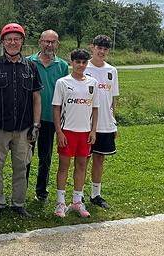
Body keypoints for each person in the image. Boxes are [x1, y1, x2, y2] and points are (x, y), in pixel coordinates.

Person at [0, 23, 42, 218]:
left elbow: (36, 98)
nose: (12, 42)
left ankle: (18, 203)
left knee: (21, 167)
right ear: (3, 42)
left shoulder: (31, 67)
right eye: (8, 39)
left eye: (16, 39)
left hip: (23, 128)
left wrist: (36, 125)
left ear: (22, 41)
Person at [52, 48, 98, 218]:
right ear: (72, 62)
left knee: (81, 166)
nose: (80, 65)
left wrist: (93, 130)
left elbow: (95, 108)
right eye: (77, 62)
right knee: (63, 167)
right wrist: (59, 132)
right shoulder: (63, 82)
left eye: (84, 62)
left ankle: (77, 201)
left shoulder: (92, 83)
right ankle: (60, 203)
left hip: (85, 133)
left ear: (87, 63)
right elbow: (56, 108)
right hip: (67, 131)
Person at [26, 30, 69, 204]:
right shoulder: (29, 62)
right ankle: (21, 190)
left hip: (51, 118)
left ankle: (41, 192)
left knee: (45, 158)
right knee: (26, 156)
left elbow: (67, 92)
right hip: (29, 118)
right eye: (46, 41)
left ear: (57, 44)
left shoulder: (62, 66)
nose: (49, 45)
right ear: (40, 42)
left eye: (52, 42)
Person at [84, 35, 119, 209]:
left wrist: (114, 123)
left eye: (105, 48)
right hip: (86, 123)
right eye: (99, 47)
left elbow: (113, 100)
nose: (102, 51)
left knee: (99, 158)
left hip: (105, 124)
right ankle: (78, 195)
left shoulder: (112, 71)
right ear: (92, 47)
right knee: (83, 159)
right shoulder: (84, 67)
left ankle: (95, 194)